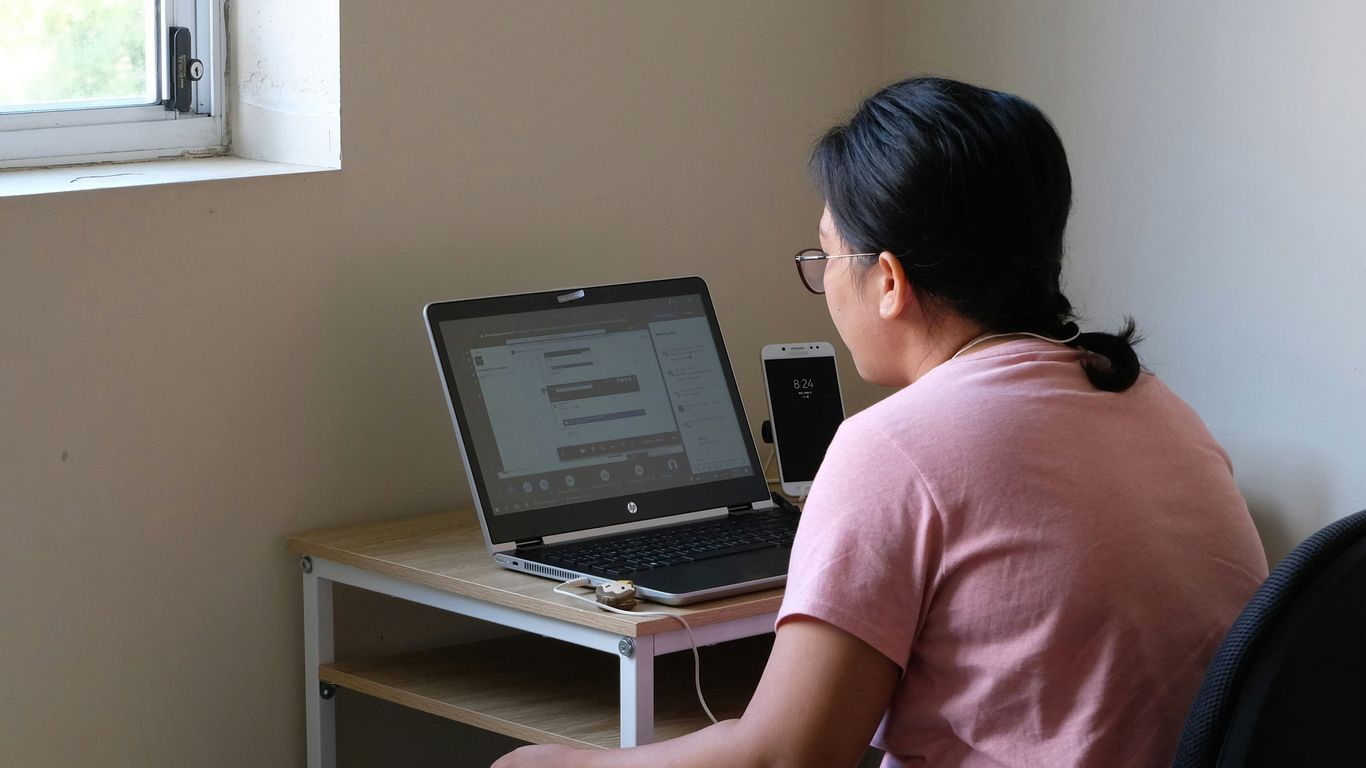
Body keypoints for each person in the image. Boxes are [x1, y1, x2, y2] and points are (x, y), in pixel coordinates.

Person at [492, 76, 1268, 768]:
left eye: (826, 255)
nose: (826, 282)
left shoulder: (896, 447)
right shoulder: (1156, 405)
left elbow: (787, 758)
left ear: (889, 280)